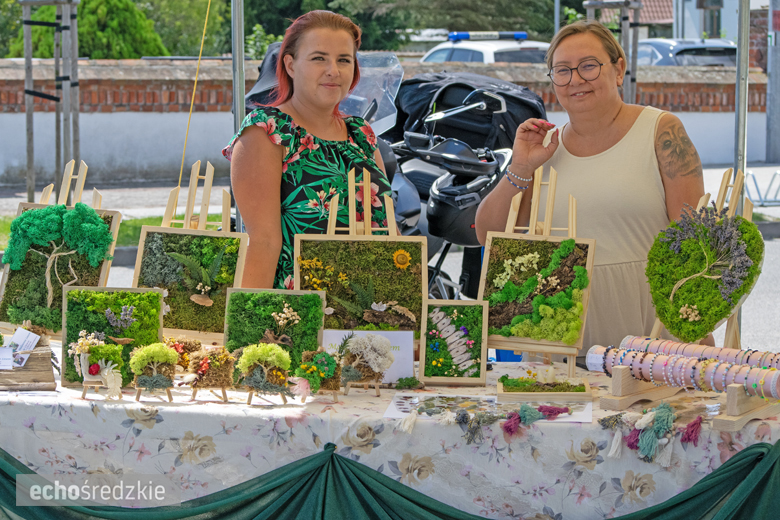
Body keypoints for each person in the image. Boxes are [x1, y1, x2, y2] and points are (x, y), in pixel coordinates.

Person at [475, 20, 707, 351]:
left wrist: (700, 326)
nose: (576, 80)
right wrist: (520, 168)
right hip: (558, 349)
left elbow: (693, 243)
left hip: (649, 342)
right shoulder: (544, 149)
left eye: (589, 66)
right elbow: (487, 234)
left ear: (618, 69)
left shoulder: (660, 131)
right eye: (563, 71)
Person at [223, 10, 391, 289]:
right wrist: (250, 325)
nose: (333, 71)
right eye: (318, 58)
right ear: (290, 65)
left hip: (370, 309)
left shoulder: (362, 134)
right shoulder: (267, 131)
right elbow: (262, 242)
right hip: (298, 313)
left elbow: (388, 228)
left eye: (344, 60)